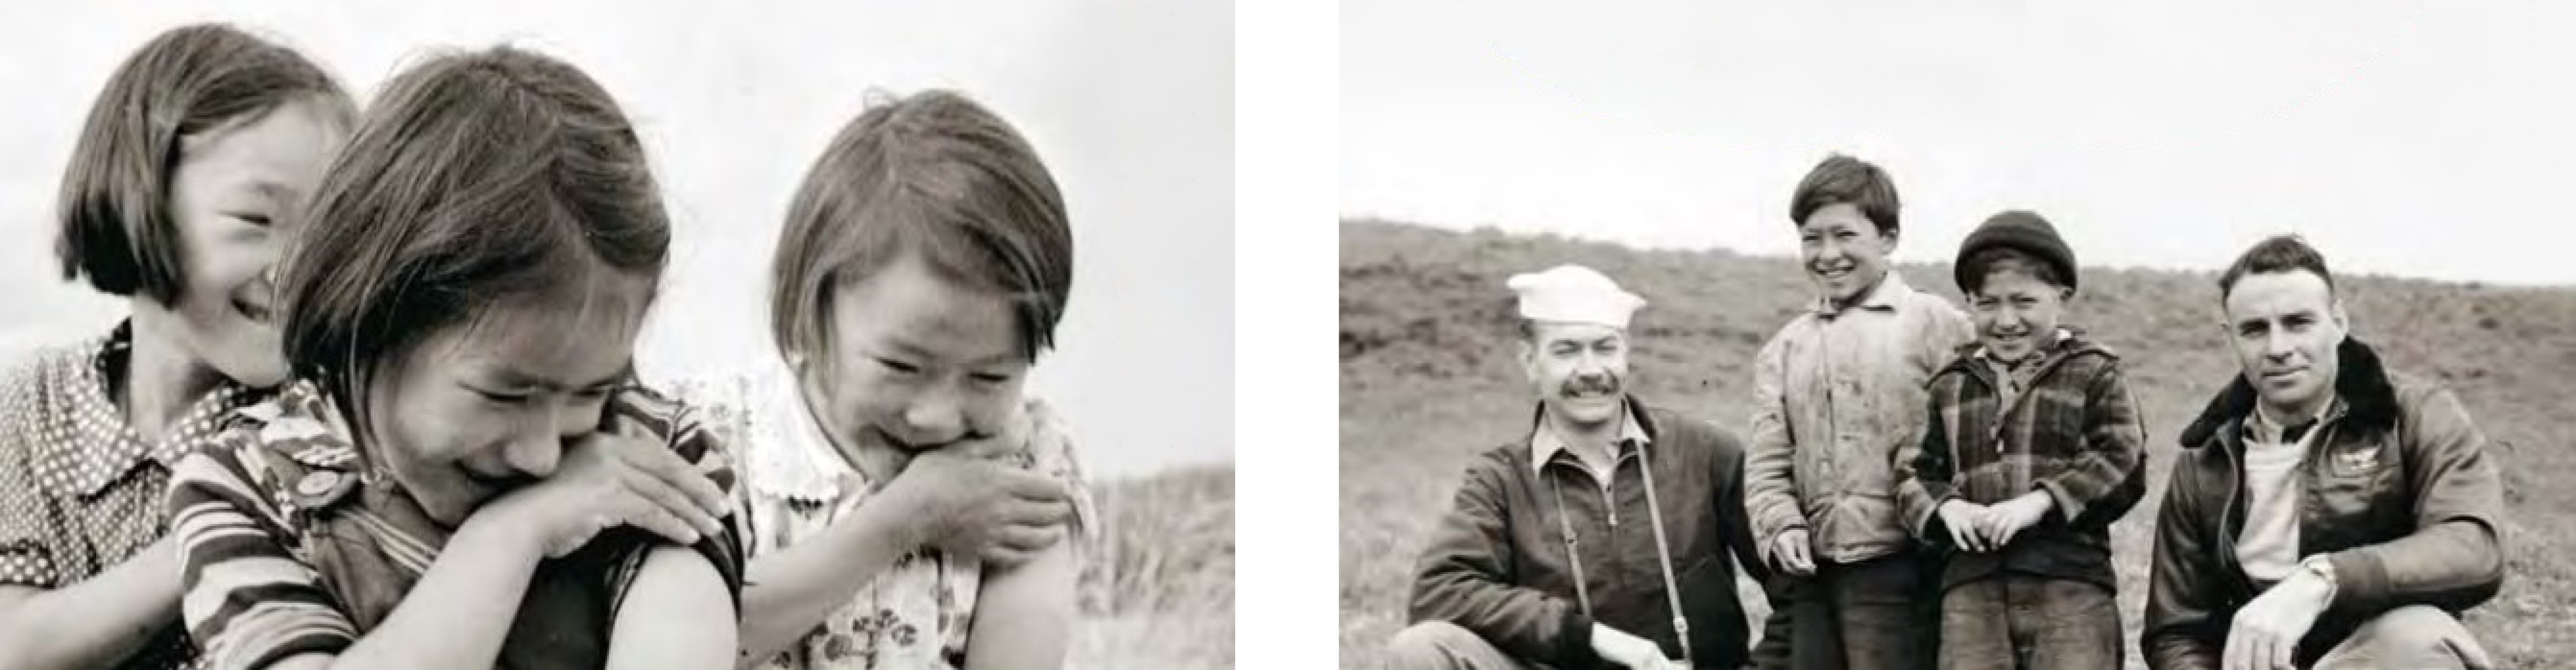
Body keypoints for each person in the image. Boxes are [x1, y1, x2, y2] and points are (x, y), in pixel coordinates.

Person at [164, 45, 741, 669]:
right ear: (367, 323)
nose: (544, 454)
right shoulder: (242, 489)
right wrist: (510, 535)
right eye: (506, 395)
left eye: (587, 393)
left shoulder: (652, 455)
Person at [0, 23, 356, 669]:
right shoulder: (33, 405)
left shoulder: (326, 417)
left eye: (330, 233)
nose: (299, 269)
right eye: (256, 220)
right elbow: (16, 646)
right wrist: (229, 514)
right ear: (138, 201)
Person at [730, 90, 1094, 670]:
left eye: (989, 377)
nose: (937, 417)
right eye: (901, 367)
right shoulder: (729, 439)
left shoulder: (1028, 466)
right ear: (805, 308)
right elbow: (695, 642)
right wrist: (907, 517)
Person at [2141, 234, 2505, 670]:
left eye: (2298, 323)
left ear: (2338, 322)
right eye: (2254, 329)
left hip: (2375, 659)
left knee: (2416, 637)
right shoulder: (2204, 459)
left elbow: (2473, 547)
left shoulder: (2414, 414)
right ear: (2231, 337)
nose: (2277, 348)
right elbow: (2177, 630)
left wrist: (2324, 579)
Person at [1390, 264, 1773, 670]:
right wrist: (1590, 637)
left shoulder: (1706, 451)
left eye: (1605, 347)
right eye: (1566, 350)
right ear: (1529, 360)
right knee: (1421, 649)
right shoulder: (1499, 479)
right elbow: (1438, 591)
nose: (1590, 371)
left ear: (1627, 353)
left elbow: (1797, 586)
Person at [1743, 155, 1971, 669]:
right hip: (1816, 574)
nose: (1828, 255)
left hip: (1912, 567)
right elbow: (1766, 463)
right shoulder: (1785, 348)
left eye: (1845, 236)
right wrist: (1782, 526)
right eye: (1811, 238)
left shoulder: (1935, 324)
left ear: (1887, 240)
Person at [1891, 211, 2146, 669]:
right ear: (1969, 303)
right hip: (1972, 587)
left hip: (2070, 582)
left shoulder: (2094, 371)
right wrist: (1949, 508)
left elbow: (2122, 458)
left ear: (2061, 297)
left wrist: (2040, 502)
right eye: (1987, 303)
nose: (2006, 320)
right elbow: (1911, 472)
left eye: (2023, 301)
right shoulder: (1950, 384)